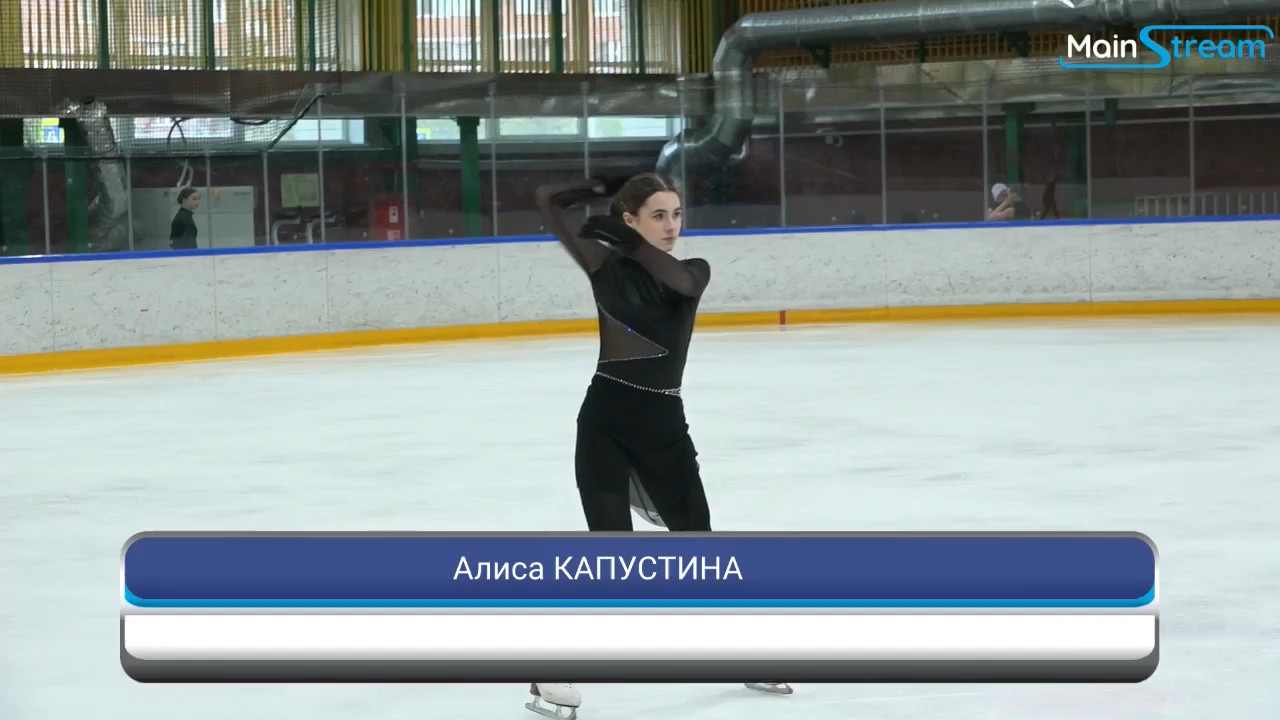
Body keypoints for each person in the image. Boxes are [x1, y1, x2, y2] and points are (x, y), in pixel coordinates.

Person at [523, 174, 790, 719]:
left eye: (676, 214)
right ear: (630, 219)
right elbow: (547, 201)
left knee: (699, 547)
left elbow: (679, 283)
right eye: (658, 216)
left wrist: (630, 240)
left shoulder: (693, 270)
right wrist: (587, 187)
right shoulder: (605, 267)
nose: (671, 226)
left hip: (664, 430)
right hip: (604, 422)